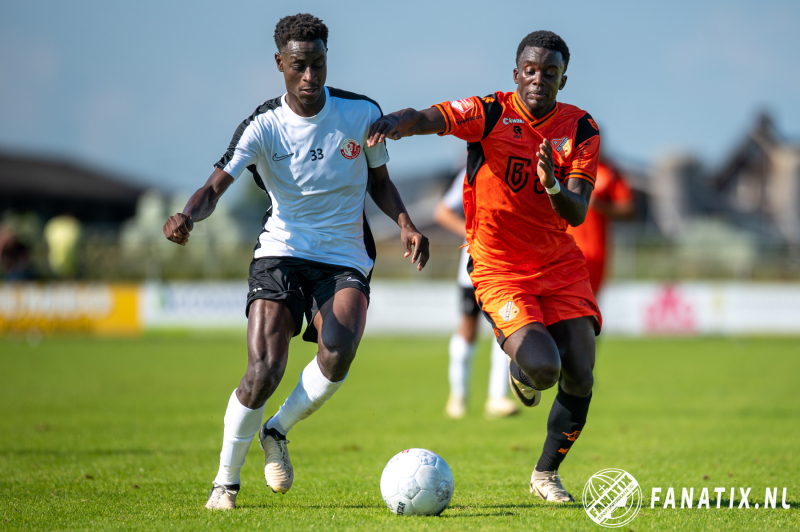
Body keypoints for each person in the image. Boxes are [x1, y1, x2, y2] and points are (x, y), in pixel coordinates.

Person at [162, 14, 429, 510]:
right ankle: (225, 482)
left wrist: (407, 224)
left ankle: (277, 430)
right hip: (280, 252)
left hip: (344, 255)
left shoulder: (361, 113)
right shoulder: (262, 126)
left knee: (338, 352)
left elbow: (380, 182)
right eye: (300, 66)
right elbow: (213, 187)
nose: (311, 77)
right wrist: (186, 216)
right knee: (264, 369)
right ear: (280, 64)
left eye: (319, 65)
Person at [368, 30, 600, 502]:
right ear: (516, 74)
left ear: (563, 78)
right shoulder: (490, 112)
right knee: (545, 369)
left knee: (581, 371)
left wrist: (553, 185)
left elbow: (576, 211)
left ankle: (545, 475)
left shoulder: (580, 129)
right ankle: (523, 368)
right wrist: (397, 121)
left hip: (559, 263)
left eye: (549, 72)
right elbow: (432, 116)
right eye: (530, 71)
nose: (538, 79)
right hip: (498, 266)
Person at [435, 168, 519, 419]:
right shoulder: (471, 170)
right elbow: (442, 212)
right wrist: (473, 233)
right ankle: (458, 396)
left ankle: (497, 398)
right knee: (468, 328)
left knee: (507, 327)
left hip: (509, 267)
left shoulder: (520, 164)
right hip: (475, 267)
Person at [566, 159, 634, 294]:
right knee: (566, 304)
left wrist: (601, 207)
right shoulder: (565, 167)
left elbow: (629, 210)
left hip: (596, 253)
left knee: (588, 305)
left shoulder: (609, 172)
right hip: (566, 250)